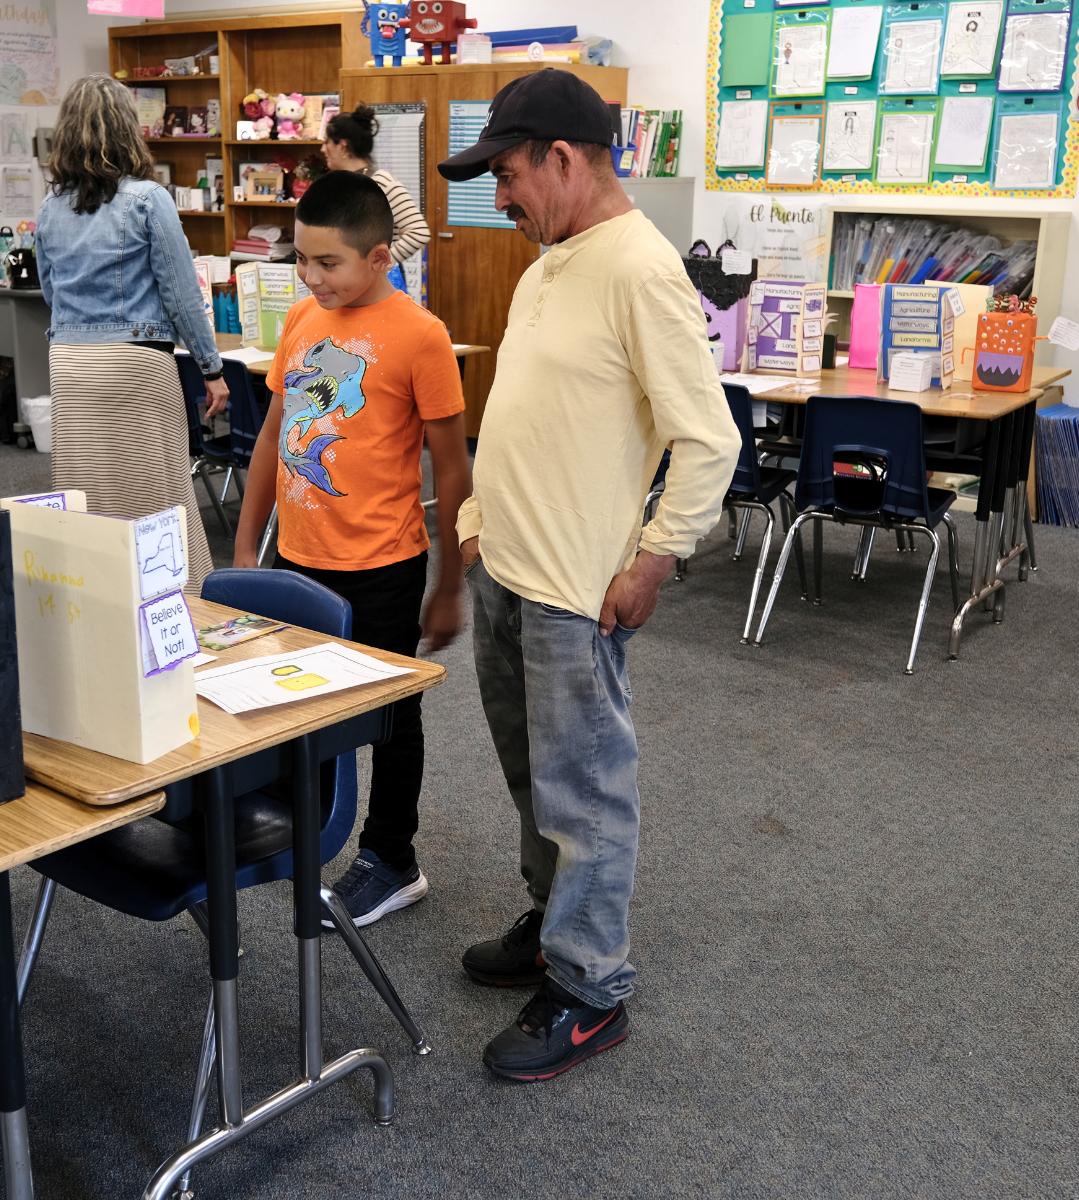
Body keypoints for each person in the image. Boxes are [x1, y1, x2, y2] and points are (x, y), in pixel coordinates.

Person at [438, 69, 741, 1082]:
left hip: (576, 590)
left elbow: (707, 439)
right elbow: (517, 411)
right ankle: (550, 918)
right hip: (507, 570)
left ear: (562, 159)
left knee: (586, 791)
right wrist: (476, 521)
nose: (501, 196)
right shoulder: (546, 264)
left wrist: (656, 558)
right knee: (531, 775)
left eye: (509, 174)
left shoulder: (639, 270)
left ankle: (588, 985)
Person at [234, 170, 472, 926]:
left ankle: (392, 857)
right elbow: (275, 434)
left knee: (391, 722)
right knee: (290, 700)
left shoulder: (421, 335)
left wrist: (448, 582)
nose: (310, 276)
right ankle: (280, 824)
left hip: (384, 568)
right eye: (301, 260)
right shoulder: (304, 320)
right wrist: (247, 549)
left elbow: (453, 465)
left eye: (327, 262)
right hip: (297, 561)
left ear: (379, 257)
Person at [36, 74, 226, 593]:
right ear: (128, 131)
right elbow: (182, 294)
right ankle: (174, 608)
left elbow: (50, 292)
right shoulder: (147, 199)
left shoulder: (51, 208)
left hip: (71, 366)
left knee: (87, 496)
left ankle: (96, 600)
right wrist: (210, 367)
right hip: (135, 365)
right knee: (157, 496)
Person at [322, 106, 432, 267]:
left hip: (376, 287)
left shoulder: (381, 183)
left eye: (326, 142)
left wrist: (380, 266)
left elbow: (418, 233)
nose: (322, 149)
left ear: (342, 146)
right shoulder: (337, 184)